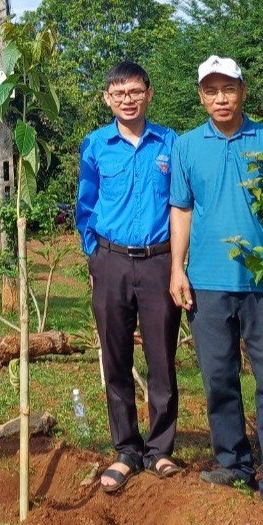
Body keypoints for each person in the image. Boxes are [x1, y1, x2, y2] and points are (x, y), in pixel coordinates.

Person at [169, 56, 263, 518]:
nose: (220, 98)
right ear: (201, 97)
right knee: (218, 377)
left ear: (243, 91)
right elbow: (182, 210)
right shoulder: (188, 147)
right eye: (211, 91)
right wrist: (176, 268)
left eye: (228, 89)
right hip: (208, 282)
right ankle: (233, 463)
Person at [76, 61, 181, 494]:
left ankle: (160, 449)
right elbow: (85, 201)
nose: (127, 99)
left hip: (159, 263)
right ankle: (126, 448)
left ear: (148, 94)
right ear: (107, 98)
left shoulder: (170, 143)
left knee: (161, 357)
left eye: (135, 91)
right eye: (119, 93)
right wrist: (94, 253)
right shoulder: (95, 145)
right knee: (115, 357)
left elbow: (182, 203)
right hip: (112, 262)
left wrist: (178, 262)